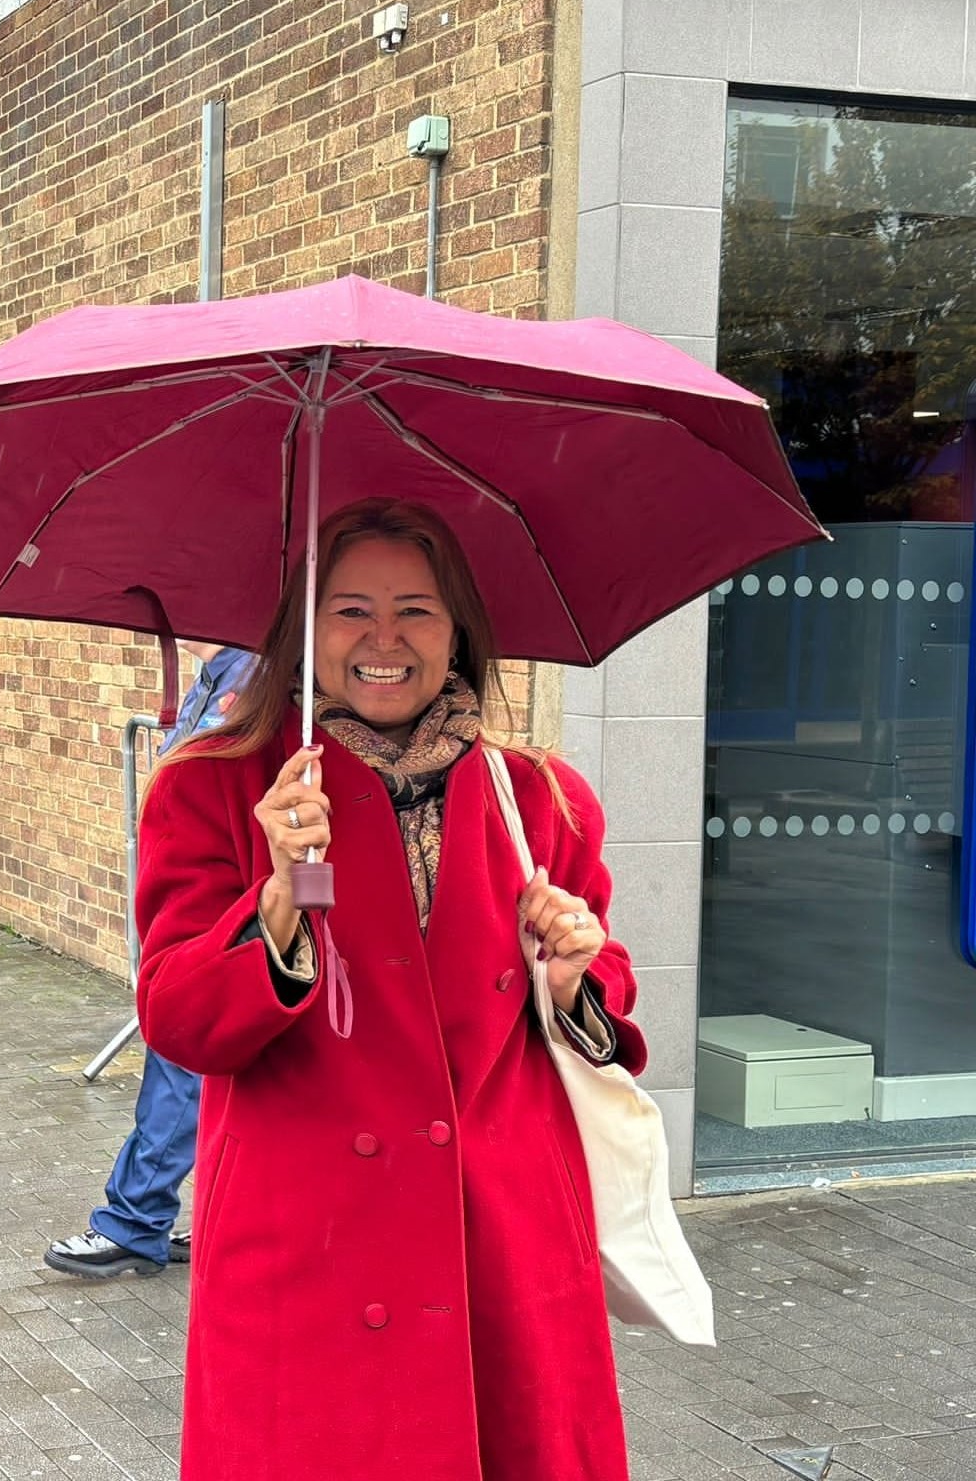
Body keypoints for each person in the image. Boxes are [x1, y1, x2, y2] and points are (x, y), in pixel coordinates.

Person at [133, 499, 641, 1479]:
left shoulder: (538, 797)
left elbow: (601, 992)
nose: (382, 640)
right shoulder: (218, 785)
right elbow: (179, 1017)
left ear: (458, 631)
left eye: (414, 609)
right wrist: (276, 897)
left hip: (498, 1241)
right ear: (303, 628)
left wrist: (577, 977)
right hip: (310, 1253)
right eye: (348, 610)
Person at [44, 640, 254, 1280]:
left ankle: (137, 1221)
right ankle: (190, 1214)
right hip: (200, 909)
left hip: (231, 914)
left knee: (181, 1066)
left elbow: (213, 777)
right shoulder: (231, 661)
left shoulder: (261, 669)